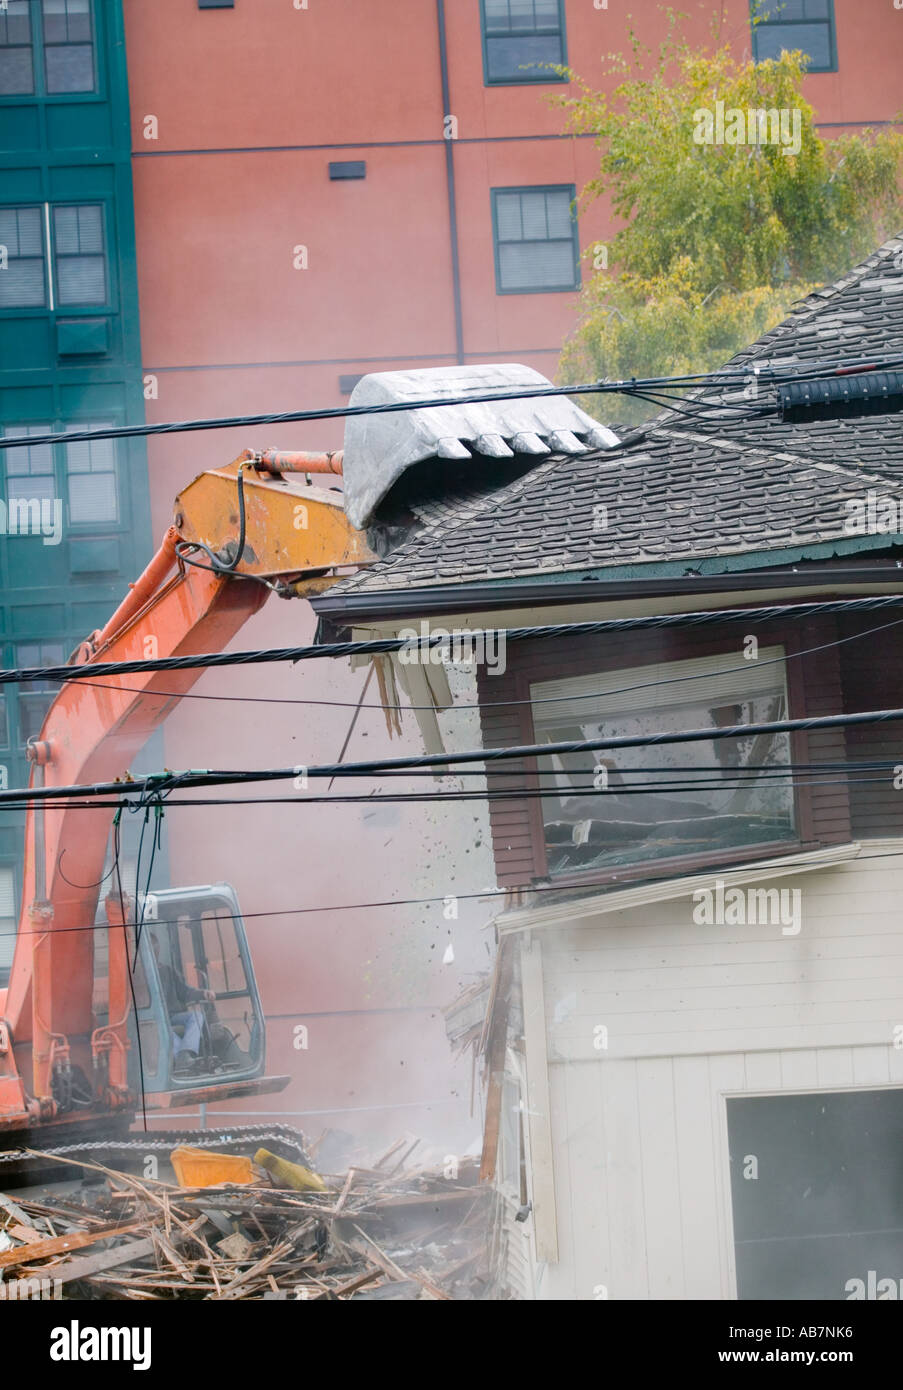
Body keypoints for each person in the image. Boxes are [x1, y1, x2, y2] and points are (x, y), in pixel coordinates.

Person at [150, 933, 215, 1069]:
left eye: (155, 947)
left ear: (158, 950)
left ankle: (185, 1054)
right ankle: (184, 1062)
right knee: (163, 1029)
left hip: (173, 1015)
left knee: (197, 1016)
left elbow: (185, 991)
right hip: (154, 1021)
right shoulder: (136, 975)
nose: (154, 951)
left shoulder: (168, 970)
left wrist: (203, 993)